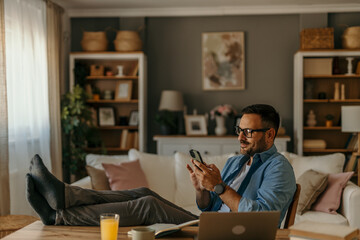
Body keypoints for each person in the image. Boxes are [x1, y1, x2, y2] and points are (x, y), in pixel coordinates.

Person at [26, 104, 296, 227]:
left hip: (233, 236)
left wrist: (220, 187)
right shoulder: (237, 161)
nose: (240, 137)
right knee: (144, 192)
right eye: (239, 129)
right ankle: (65, 196)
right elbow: (210, 206)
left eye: (248, 132)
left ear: (270, 135)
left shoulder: (278, 168)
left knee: (148, 206)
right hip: (211, 224)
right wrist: (203, 190)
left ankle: (59, 216)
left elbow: (263, 217)